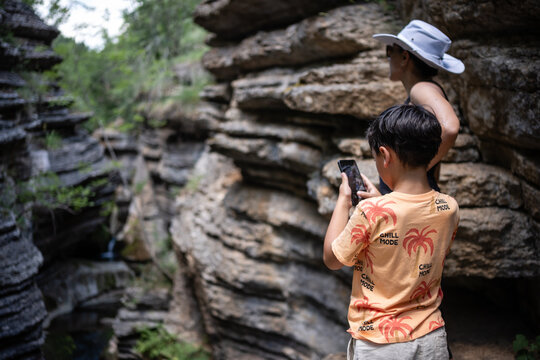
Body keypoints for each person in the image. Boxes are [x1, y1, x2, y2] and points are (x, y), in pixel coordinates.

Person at [323, 104, 460, 360]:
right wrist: (382, 202)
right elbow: (408, 227)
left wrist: (343, 200)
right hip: (431, 337)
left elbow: (332, 259)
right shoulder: (449, 207)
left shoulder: (372, 212)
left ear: (385, 156)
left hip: (380, 343)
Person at [372, 19, 464, 194]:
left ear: (405, 57)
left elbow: (450, 128)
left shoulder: (421, 89)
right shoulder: (425, 90)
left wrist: (409, 175)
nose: (388, 57)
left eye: (390, 51)